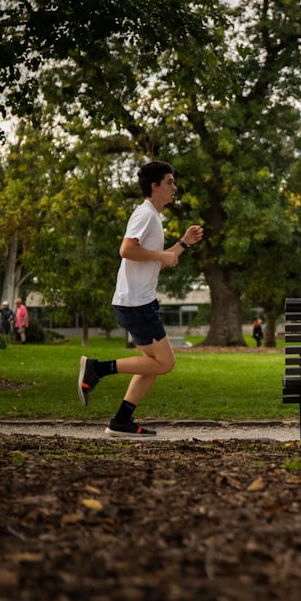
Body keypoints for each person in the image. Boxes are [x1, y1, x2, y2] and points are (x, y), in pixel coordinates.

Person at [76, 160, 204, 438]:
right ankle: (97, 368)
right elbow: (126, 250)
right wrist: (160, 255)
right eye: (169, 182)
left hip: (136, 301)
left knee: (153, 364)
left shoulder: (153, 217)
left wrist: (182, 244)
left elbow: (154, 261)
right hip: (136, 303)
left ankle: (121, 420)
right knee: (166, 363)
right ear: (154, 186)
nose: (174, 187)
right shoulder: (145, 215)